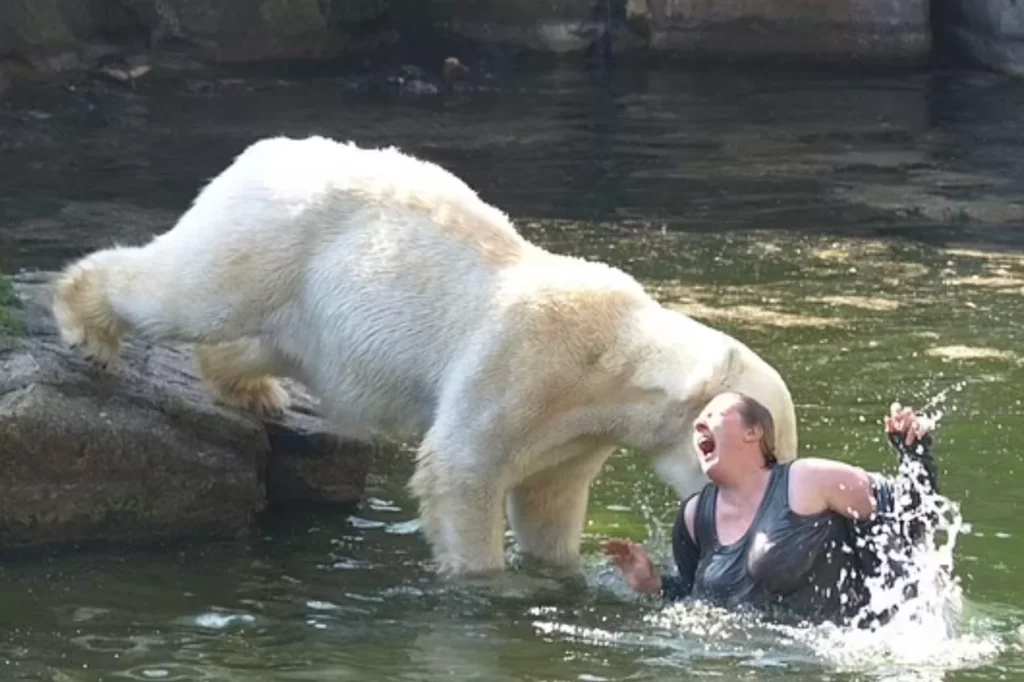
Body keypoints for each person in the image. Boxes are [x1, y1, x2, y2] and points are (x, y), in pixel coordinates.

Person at [603, 392, 943, 626]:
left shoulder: (809, 480)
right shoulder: (694, 517)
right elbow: (695, 602)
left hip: (838, 659)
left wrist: (915, 456)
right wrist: (654, 585)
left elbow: (911, 520)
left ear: (754, 432)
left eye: (714, 415)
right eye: (696, 423)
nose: (698, 426)